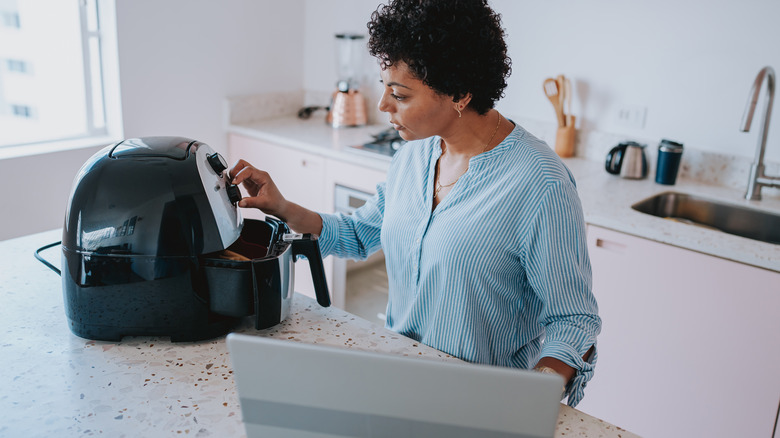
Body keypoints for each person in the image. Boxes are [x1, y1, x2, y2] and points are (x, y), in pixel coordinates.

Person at [230, 0, 600, 407]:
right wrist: (280, 205)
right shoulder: (413, 156)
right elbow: (357, 234)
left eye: (400, 94)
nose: (383, 105)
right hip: (397, 383)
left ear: (458, 93)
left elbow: (573, 321)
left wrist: (528, 402)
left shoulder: (540, 183)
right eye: (385, 88)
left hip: (480, 404)